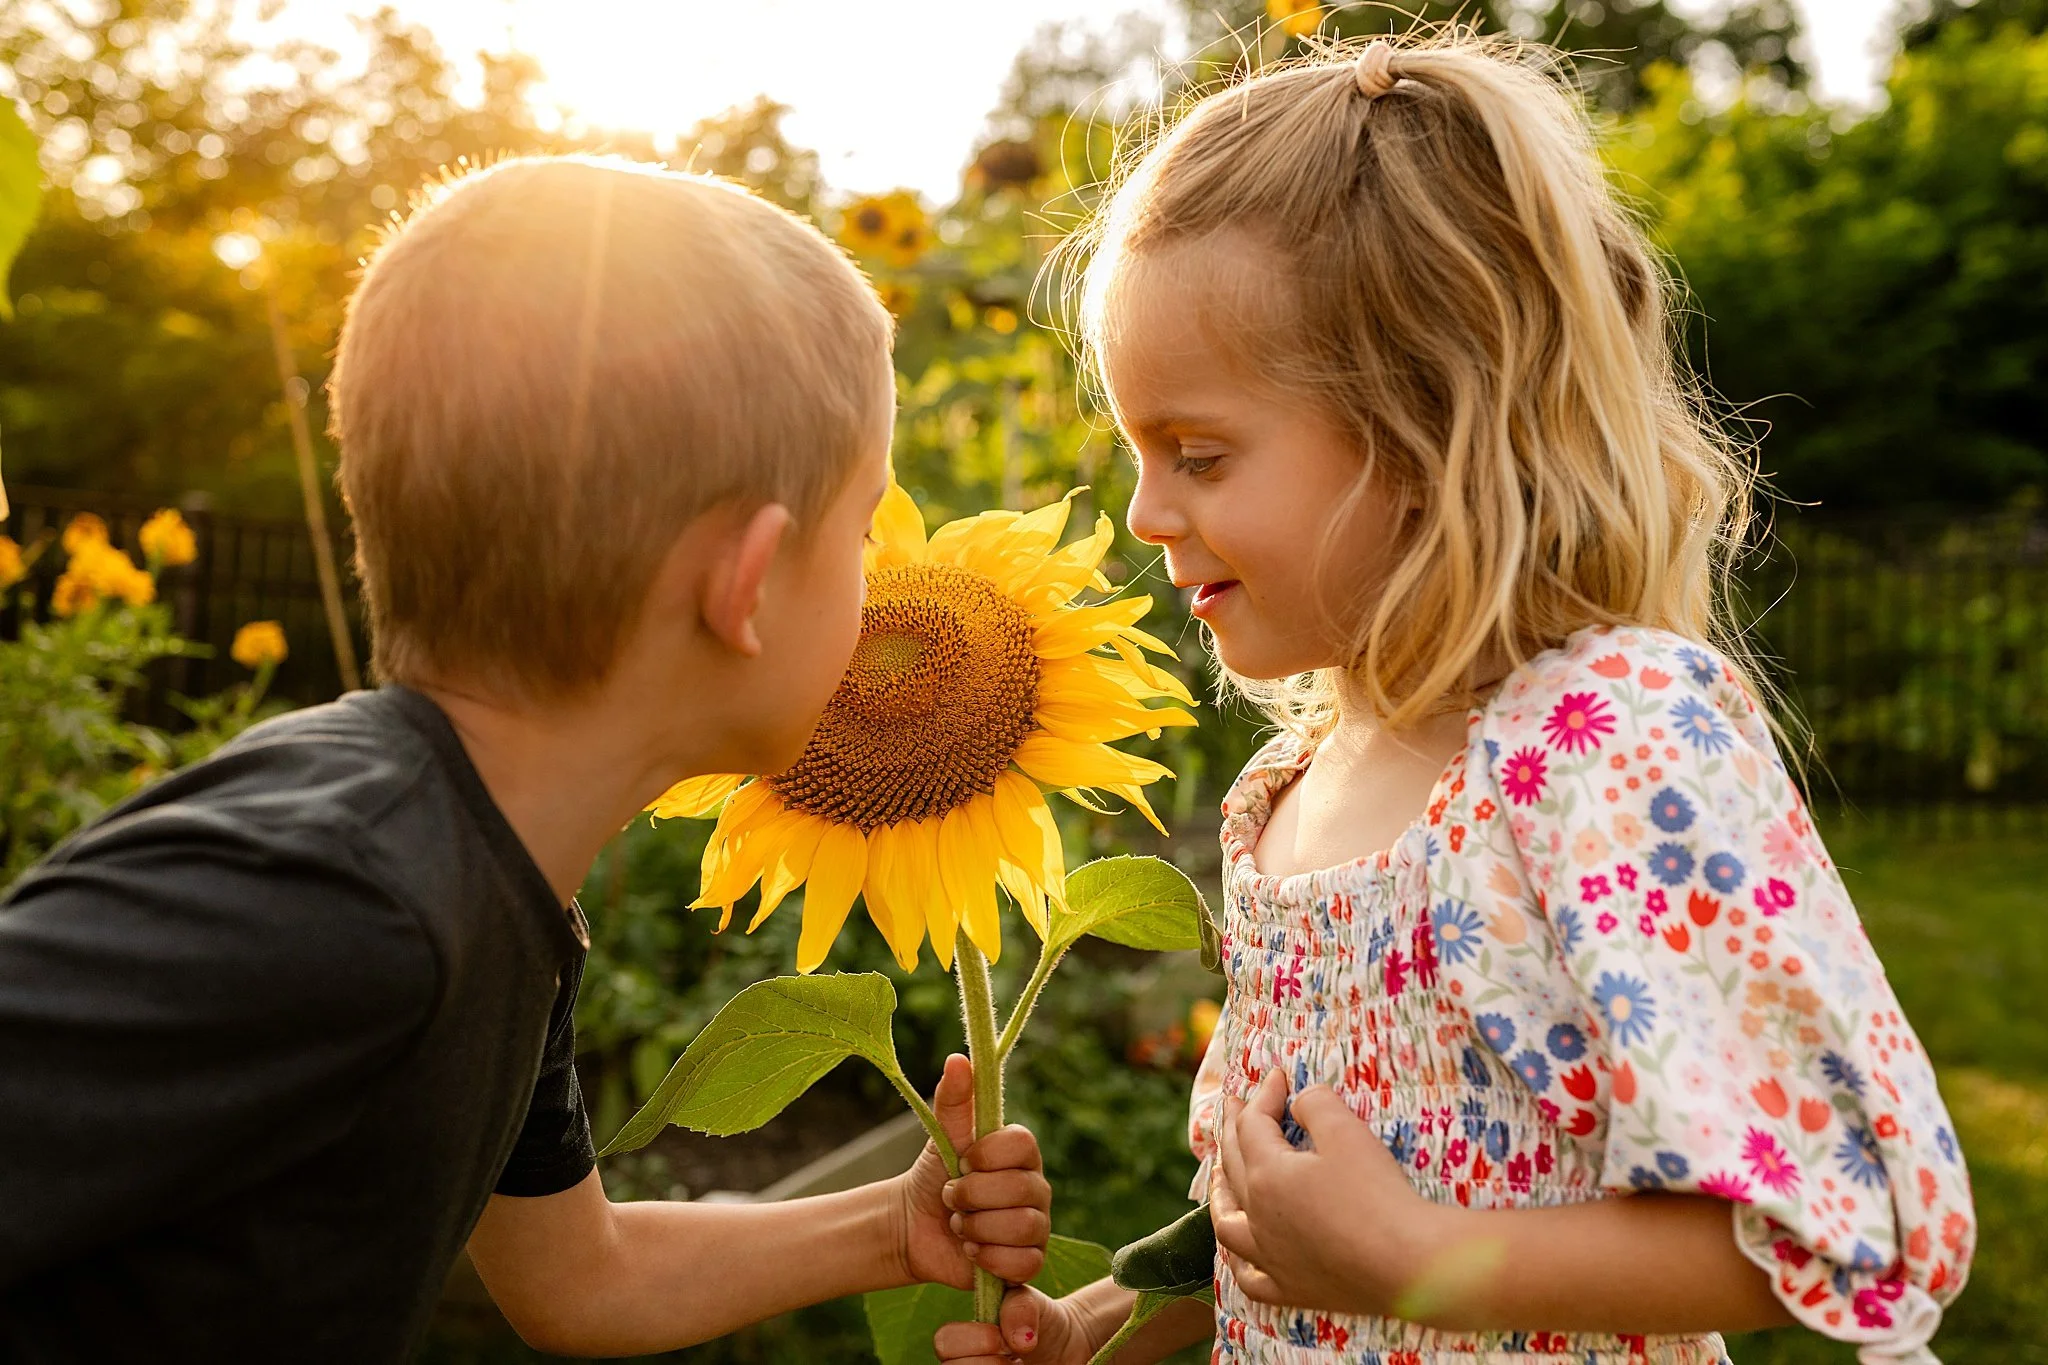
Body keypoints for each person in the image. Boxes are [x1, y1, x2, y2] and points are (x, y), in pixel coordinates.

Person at [936, 30, 1974, 1365]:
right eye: (1138, 452)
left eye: (1198, 452)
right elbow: (1262, 1217)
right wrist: (1097, 1331)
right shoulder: (1289, 792)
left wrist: (1421, 1261)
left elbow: (1847, 1213)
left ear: (1426, 426)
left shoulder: (1605, 741)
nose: (1145, 512)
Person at [0, 155, 1052, 1363]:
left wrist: (888, 1229)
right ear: (745, 584)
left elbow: (578, 1280)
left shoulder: (495, 881)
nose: (877, 590)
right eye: (863, 530)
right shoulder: (330, 893)